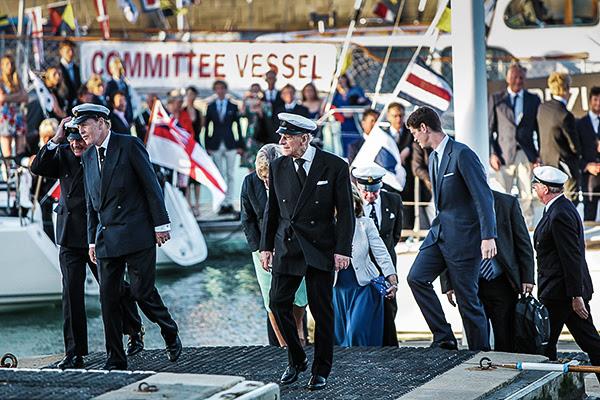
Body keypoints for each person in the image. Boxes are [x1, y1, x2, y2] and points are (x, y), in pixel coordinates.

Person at [30, 117, 145, 370]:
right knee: (71, 293)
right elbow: (37, 167)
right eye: (70, 141)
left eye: (79, 141)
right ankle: (74, 353)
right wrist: (56, 138)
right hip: (70, 234)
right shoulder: (61, 153)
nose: (75, 146)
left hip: (97, 235)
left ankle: (134, 329)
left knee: (111, 288)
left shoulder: (100, 156)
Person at [75, 103, 181, 370]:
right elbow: (91, 204)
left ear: (101, 122)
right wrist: (90, 240)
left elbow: (151, 184)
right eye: (78, 126)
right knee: (108, 299)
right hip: (106, 237)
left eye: (84, 125)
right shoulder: (87, 157)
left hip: (137, 234)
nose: (80, 131)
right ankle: (115, 359)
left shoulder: (129, 145)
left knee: (141, 292)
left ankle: (169, 330)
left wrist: (161, 224)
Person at [260, 113, 354, 390]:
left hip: (320, 246)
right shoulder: (277, 166)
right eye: (281, 136)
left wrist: (342, 249)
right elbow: (272, 211)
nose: (281, 141)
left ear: (305, 139)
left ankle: (321, 369)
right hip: (287, 245)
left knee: (321, 311)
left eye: (287, 137)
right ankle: (296, 358)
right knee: (277, 302)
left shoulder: (334, 166)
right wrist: (266, 247)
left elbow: (346, 212)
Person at [405, 106, 497, 351]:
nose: (414, 137)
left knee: (468, 300)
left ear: (424, 128)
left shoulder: (462, 154)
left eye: (415, 132)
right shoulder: (433, 157)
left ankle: (480, 354)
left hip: (465, 239)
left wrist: (488, 235)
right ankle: (444, 338)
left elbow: (483, 196)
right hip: (439, 234)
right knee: (416, 278)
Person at [444, 190, 535, 352]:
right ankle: (479, 370)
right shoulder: (455, 203)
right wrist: (448, 283)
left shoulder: (507, 203)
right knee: (476, 339)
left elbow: (523, 242)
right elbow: (445, 244)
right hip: (469, 282)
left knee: (505, 337)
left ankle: (505, 372)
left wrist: (527, 277)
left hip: (503, 282)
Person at [532, 165, 600, 383]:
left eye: (536, 185)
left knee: (545, 343)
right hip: (563, 292)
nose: (534, 189)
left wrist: (575, 296)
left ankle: (545, 384)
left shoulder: (559, 213)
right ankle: (547, 383)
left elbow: (571, 257)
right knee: (588, 342)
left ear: (544, 188)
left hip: (561, 294)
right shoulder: (560, 208)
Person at [240, 144, 308, 347]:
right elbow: (247, 220)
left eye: (270, 175)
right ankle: (282, 346)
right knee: (271, 300)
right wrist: (261, 249)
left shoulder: (294, 178)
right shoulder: (250, 183)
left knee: (300, 296)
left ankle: (298, 334)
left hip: (293, 246)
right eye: (264, 177)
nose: (267, 181)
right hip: (263, 250)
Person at [334, 184, 398, 347]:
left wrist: (392, 280)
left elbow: (381, 252)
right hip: (336, 290)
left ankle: (368, 368)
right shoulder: (325, 227)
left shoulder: (365, 223)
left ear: (356, 204)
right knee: (341, 341)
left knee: (356, 333)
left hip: (364, 287)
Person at [352, 165, 403, 346]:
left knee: (389, 308)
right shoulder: (353, 205)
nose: (370, 196)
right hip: (362, 269)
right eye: (365, 191)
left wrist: (390, 274)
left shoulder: (394, 201)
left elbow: (395, 235)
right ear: (359, 187)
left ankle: (388, 347)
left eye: (374, 192)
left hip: (385, 263)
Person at [488, 63, 541, 226]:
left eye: (521, 77)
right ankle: (502, 228)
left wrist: (539, 155)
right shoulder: (496, 99)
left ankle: (528, 229)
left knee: (527, 195)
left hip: (526, 154)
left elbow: (539, 130)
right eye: (515, 77)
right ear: (507, 78)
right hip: (503, 155)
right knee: (503, 195)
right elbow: (489, 129)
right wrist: (492, 154)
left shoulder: (533, 99)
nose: (518, 80)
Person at [537, 72, 580, 202]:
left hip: (546, 165)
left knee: (551, 203)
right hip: (563, 168)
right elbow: (575, 147)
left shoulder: (542, 108)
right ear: (566, 88)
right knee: (570, 202)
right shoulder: (565, 115)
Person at [204, 80, 245, 215]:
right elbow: (207, 128)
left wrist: (240, 145)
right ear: (215, 91)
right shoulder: (210, 107)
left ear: (226, 90)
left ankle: (229, 203)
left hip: (230, 143)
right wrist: (207, 146)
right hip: (215, 144)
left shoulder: (233, 106)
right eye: (217, 88)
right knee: (219, 174)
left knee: (230, 174)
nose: (220, 90)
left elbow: (238, 126)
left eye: (222, 88)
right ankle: (221, 203)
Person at [577, 86, 600, 221]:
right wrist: (586, 166)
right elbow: (574, 153)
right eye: (595, 99)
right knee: (589, 216)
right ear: (590, 100)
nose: (598, 103)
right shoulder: (579, 124)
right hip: (589, 178)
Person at [332, 73, 367, 156]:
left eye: (342, 77)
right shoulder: (335, 96)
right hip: (342, 125)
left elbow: (367, 104)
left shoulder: (356, 90)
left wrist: (355, 109)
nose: (340, 81)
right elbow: (328, 108)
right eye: (338, 79)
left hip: (356, 124)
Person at [0, 54, 27, 158]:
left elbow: (26, 97)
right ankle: (8, 172)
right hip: (6, 117)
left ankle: (19, 170)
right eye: (7, 64)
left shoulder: (17, 80)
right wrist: (18, 95)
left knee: (20, 149)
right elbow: (1, 98)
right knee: (7, 151)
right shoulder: (1, 81)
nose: (10, 66)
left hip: (18, 115)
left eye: (11, 63)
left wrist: (9, 97)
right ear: (2, 66)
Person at [104, 57, 133, 123]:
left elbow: (128, 101)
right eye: (116, 68)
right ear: (111, 69)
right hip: (115, 119)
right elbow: (108, 102)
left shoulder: (125, 84)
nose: (119, 71)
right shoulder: (109, 84)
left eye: (121, 68)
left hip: (126, 117)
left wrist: (130, 116)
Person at [58, 39, 81, 108]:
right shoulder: (57, 68)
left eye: (72, 50)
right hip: (62, 105)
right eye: (68, 51)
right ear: (61, 52)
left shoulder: (76, 68)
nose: (71, 53)